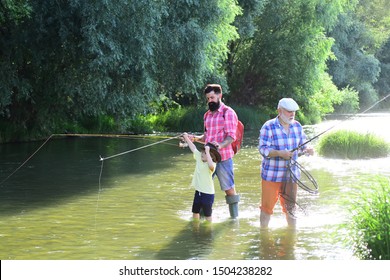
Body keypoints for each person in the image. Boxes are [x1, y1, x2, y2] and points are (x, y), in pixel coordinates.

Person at [258, 98, 313, 228]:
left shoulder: (297, 126)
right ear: (279, 111)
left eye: (293, 112)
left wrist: (307, 149)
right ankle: (263, 234)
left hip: (291, 176)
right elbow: (263, 149)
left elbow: (302, 145)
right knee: (266, 208)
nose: (292, 114)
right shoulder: (268, 126)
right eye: (289, 111)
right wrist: (279, 153)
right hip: (271, 176)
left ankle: (292, 234)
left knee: (291, 208)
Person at [190, 84, 240, 219]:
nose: (210, 101)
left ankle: (234, 219)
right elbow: (206, 137)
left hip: (224, 158)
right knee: (201, 187)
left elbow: (231, 136)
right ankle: (200, 219)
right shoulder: (207, 115)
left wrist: (221, 145)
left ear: (220, 96)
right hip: (207, 158)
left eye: (212, 97)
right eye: (208, 98)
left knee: (229, 189)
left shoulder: (228, 113)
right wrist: (193, 138)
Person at [182, 133, 221, 222]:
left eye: (205, 153)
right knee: (195, 212)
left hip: (208, 194)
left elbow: (211, 167)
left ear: (211, 156)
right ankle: (196, 229)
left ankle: (208, 231)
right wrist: (186, 138)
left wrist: (207, 151)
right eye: (203, 152)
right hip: (198, 192)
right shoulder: (199, 158)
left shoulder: (212, 165)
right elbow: (193, 148)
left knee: (208, 215)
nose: (202, 154)